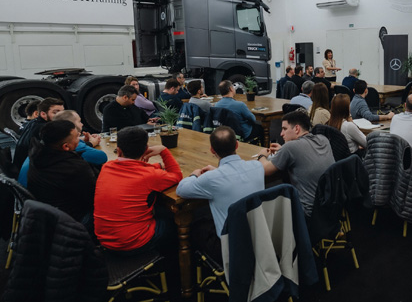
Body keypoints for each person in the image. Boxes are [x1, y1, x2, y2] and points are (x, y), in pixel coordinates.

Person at [176, 126, 264, 256]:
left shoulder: (211, 179)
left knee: (195, 224)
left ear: (212, 150)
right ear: (237, 145)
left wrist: (194, 175)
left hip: (230, 247)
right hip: (260, 237)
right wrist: (217, 172)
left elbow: (181, 189)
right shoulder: (257, 167)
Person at [94, 126, 182, 253]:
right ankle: (171, 265)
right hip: (133, 244)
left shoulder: (107, 167)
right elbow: (176, 175)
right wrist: (164, 151)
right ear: (146, 149)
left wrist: (156, 166)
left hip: (104, 241)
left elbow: (133, 169)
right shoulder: (150, 176)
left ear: (118, 151)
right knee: (172, 218)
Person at [257, 110, 334, 216]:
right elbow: (305, 152)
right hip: (329, 206)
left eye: (284, 129)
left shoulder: (290, 148)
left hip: (307, 213)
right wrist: (283, 150)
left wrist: (262, 155)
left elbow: (265, 170)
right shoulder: (323, 139)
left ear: (297, 129)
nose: (281, 133)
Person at [27, 120, 97, 230]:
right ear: (66, 147)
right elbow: (94, 199)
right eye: (76, 137)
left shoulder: (38, 155)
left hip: (49, 217)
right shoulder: (75, 168)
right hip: (73, 221)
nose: (79, 139)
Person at [18, 110, 107, 187]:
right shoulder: (74, 166)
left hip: (34, 200)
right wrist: (88, 143)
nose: (82, 124)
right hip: (51, 203)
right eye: (77, 137)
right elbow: (101, 157)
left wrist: (84, 142)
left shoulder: (39, 149)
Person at [13, 97, 65, 170]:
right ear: (43, 114)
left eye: (62, 112)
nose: (61, 116)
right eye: (55, 112)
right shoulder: (46, 128)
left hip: (20, 169)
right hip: (32, 173)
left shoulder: (31, 123)